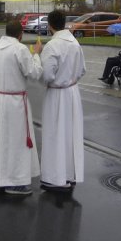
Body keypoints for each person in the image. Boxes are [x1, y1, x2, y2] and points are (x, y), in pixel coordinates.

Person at [0, 20, 43, 196]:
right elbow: (34, 73)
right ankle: (15, 182)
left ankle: (2, 177)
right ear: (20, 34)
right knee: (16, 142)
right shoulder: (19, 49)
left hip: (0, 99)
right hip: (15, 102)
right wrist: (36, 54)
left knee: (3, 141)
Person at [39, 10, 86, 192]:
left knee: (55, 135)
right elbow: (82, 70)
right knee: (70, 135)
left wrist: (39, 56)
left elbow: (47, 76)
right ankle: (69, 173)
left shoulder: (52, 46)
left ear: (49, 25)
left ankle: (55, 177)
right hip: (72, 93)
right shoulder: (74, 42)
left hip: (57, 95)